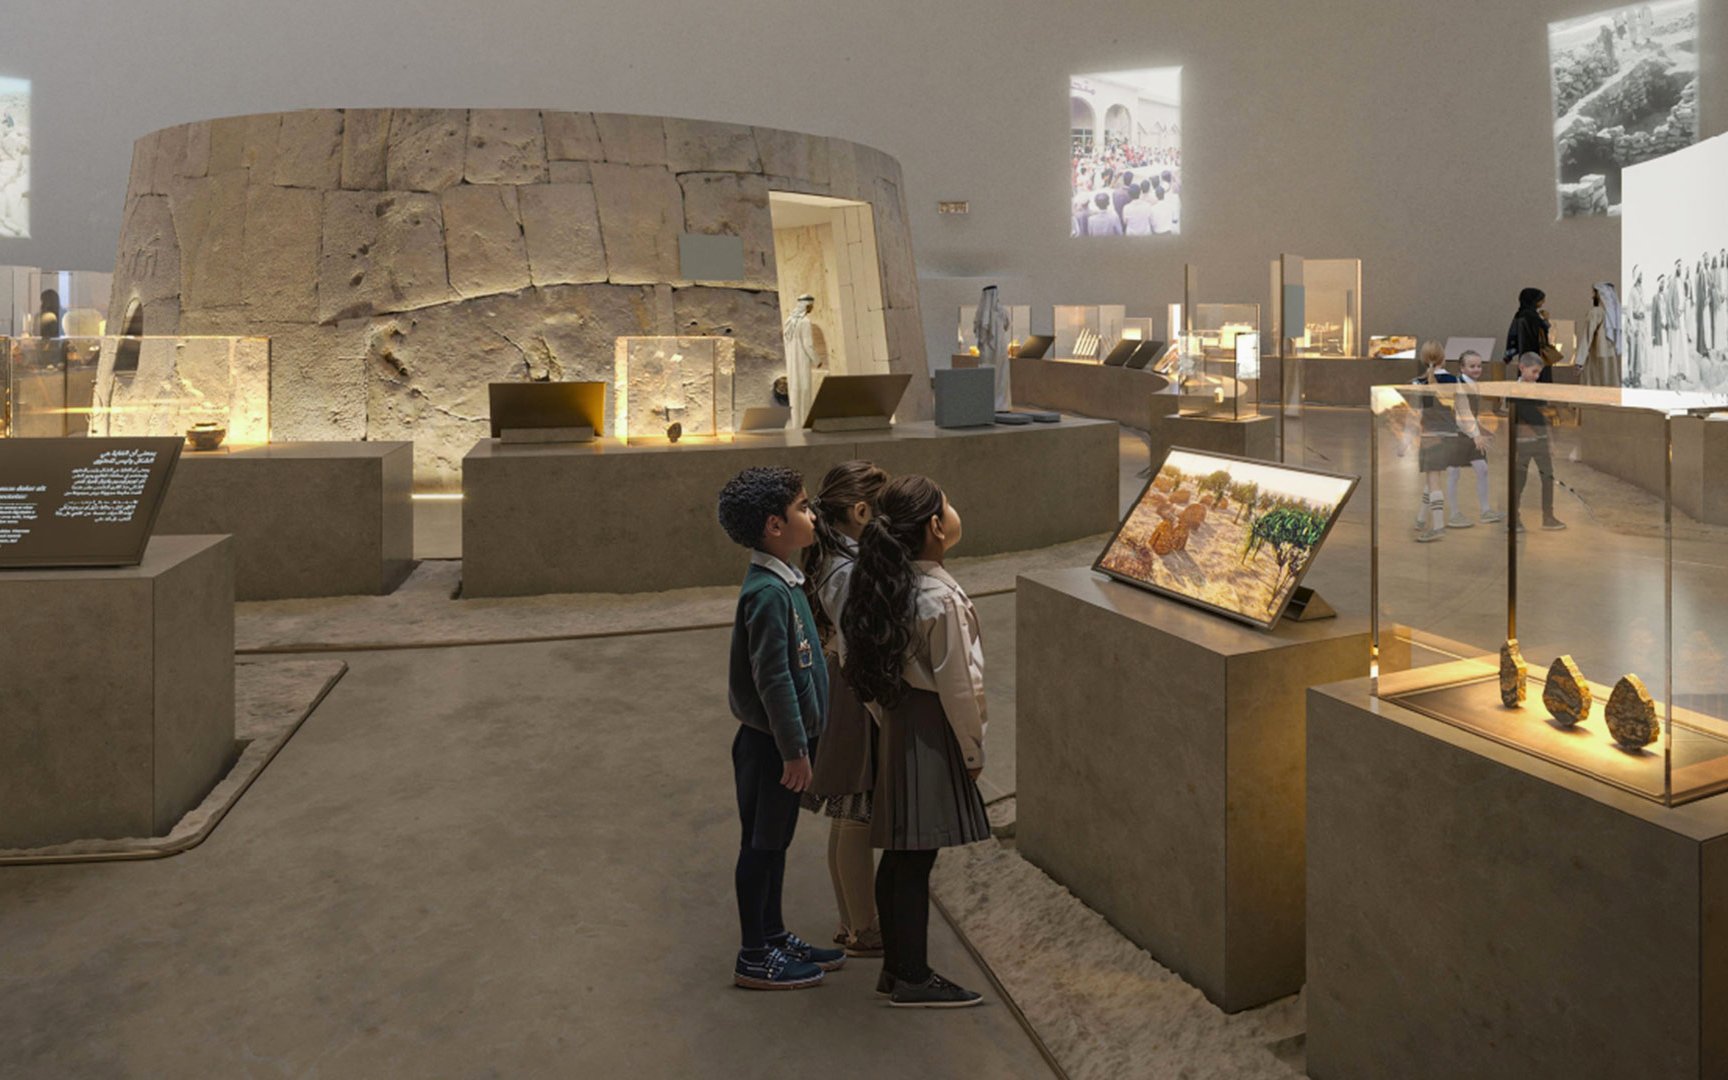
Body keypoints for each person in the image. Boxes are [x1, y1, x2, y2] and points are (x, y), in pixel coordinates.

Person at [842, 475, 991, 1009]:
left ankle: (897, 969)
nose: (954, 511)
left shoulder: (886, 583)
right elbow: (960, 685)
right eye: (948, 505)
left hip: (901, 724)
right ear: (934, 527)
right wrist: (972, 752)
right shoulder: (937, 598)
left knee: (903, 856)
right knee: (914, 857)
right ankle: (911, 976)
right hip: (933, 731)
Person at [717, 466, 847, 990]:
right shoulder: (768, 594)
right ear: (774, 525)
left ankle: (773, 934)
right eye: (801, 507)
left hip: (785, 745)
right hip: (770, 747)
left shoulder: (785, 581)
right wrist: (795, 749)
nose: (811, 514)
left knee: (777, 842)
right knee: (761, 845)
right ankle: (754, 954)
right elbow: (773, 681)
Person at [802, 460, 892, 961]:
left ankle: (851, 922)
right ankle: (864, 926)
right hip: (858, 695)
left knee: (846, 814)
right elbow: (861, 645)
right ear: (861, 512)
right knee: (857, 812)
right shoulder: (850, 569)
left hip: (841, 684)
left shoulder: (829, 558)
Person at [1506, 352, 1567, 533]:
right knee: (1519, 481)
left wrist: (1550, 442)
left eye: (1539, 373)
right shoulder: (1512, 391)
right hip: (1522, 443)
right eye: (1534, 372)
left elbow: (1543, 417)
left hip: (1540, 442)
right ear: (1522, 368)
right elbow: (1520, 418)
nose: (1537, 376)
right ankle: (1514, 518)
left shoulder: (1538, 390)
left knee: (1547, 478)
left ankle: (1548, 516)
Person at [1410, 340, 1464, 542]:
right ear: (1443, 357)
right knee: (1433, 478)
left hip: (1430, 438)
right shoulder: (1454, 380)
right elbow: (1462, 410)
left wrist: (1406, 440)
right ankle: (1421, 518)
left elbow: (1414, 416)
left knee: (1433, 480)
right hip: (1451, 436)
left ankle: (1438, 525)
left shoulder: (1417, 383)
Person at [1446, 350, 1505, 526]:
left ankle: (1485, 510)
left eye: (1479, 366)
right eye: (1472, 366)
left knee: (1482, 469)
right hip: (1457, 436)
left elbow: (1471, 414)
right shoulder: (1459, 386)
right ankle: (1454, 513)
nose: (1477, 369)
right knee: (1453, 472)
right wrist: (1476, 434)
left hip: (1471, 435)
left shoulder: (1474, 385)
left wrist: (1482, 429)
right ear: (1462, 368)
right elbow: (1462, 415)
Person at [782, 295, 823, 426]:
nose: (812, 308)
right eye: (811, 305)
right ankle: (804, 425)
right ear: (807, 306)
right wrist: (817, 360)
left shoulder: (789, 321)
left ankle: (796, 425)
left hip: (791, 361)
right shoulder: (804, 322)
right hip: (802, 361)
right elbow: (808, 345)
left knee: (795, 393)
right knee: (804, 392)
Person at [1576, 283, 1623, 387]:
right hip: (1611, 354)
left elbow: (1587, 337)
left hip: (1596, 355)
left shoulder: (1596, 312)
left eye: (1594, 293)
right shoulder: (1615, 313)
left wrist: (1580, 360)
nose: (1592, 296)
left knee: (1595, 385)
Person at [1505, 287, 1550, 364]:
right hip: (1537, 354)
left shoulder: (1520, 314)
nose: (1543, 302)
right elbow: (1544, 328)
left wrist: (1509, 354)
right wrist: (1545, 319)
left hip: (1524, 354)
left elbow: (1513, 335)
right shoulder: (1533, 316)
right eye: (1541, 300)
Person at [1626, 267, 1647, 386]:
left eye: (1642, 275)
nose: (1641, 277)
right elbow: (1629, 311)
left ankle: (1637, 377)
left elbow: (1643, 308)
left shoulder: (1641, 290)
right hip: (1633, 326)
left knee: (1640, 352)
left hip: (1641, 324)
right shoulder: (1632, 291)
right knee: (1633, 352)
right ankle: (1631, 377)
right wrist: (1633, 327)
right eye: (1640, 275)